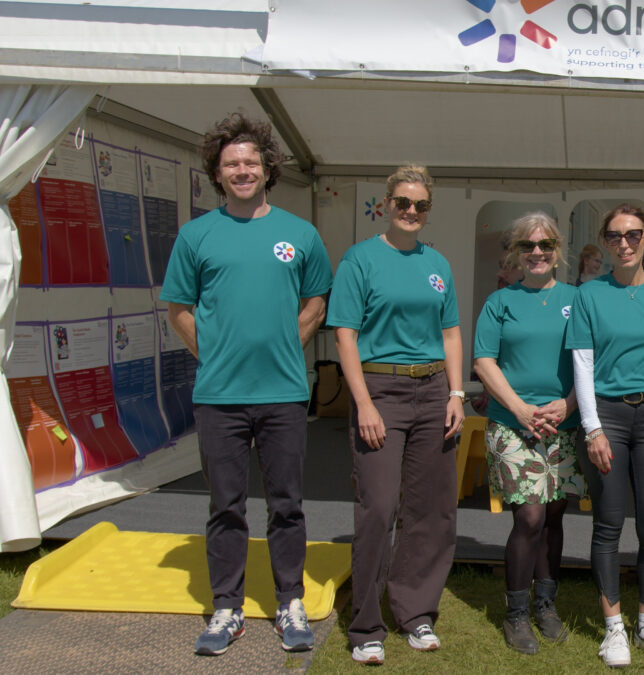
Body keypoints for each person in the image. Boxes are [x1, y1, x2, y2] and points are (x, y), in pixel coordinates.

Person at [160, 113, 331, 657]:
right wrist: (212, 354)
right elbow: (178, 309)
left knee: (287, 504)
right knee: (225, 506)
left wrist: (286, 345)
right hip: (219, 398)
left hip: (282, 393)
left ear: (267, 168)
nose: (242, 170)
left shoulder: (300, 234)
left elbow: (316, 302)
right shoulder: (196, 235)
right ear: (217, 170)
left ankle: (289, 603)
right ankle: (227, 608)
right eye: (231, 162)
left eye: (251, 162)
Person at [327, 165, 465, 665]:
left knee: (431, 509)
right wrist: (362, 403)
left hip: (433, 392)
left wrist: (456, 394)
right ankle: (365, 624)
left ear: (429, 211)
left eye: (420, 205)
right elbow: (344, 333)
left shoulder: (439, 264)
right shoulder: (360, 259)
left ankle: (415, 612)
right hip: (380, 388)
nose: (411, 211)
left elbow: (450, 333)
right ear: (386, 204)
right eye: (403, 202)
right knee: (379, 508)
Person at [565, 203, 644, 668]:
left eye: (634, 234)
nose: (625, 243)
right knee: (610, 524)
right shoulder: (589, 295)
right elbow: (582, 363)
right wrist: (592, 427)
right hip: (609, 418)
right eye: (616, 236)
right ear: (606, 241)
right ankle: (614, 628)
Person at [473, 212, 585, 654]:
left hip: (564, 423)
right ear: (515, 253)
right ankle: (517, 613)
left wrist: (568, 405)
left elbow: (591, 362)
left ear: (558, 251)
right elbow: (484, 361)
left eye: (545, 245)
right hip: (513, 424)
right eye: (527, 246)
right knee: (531, 516)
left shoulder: (579, 300)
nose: (536, 253)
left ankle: (546, 604)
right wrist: (521, 410)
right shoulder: (500, 302)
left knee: (554, 516)